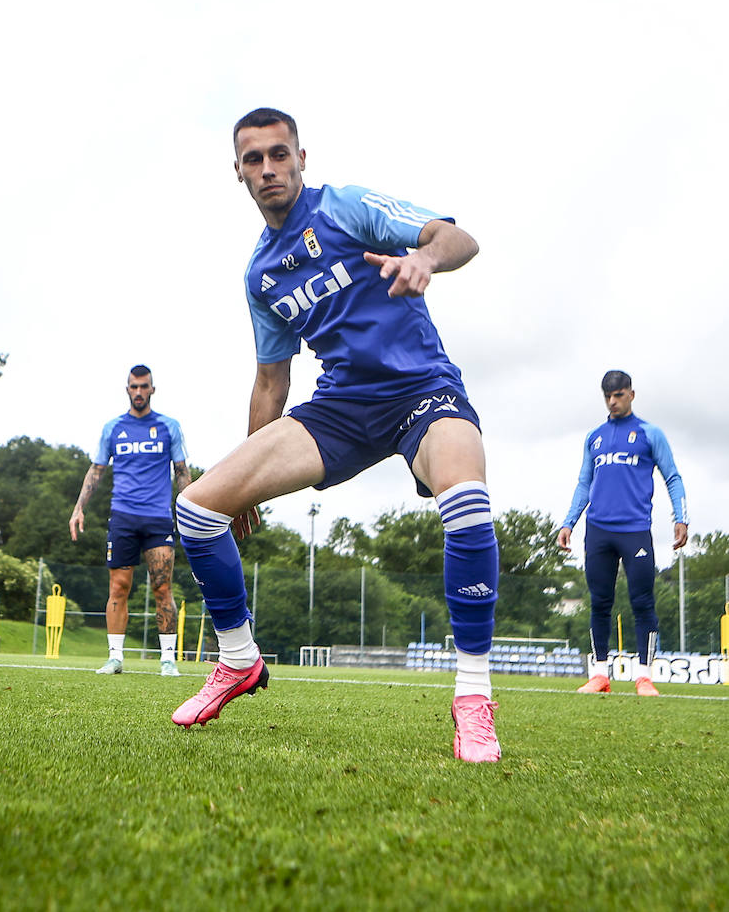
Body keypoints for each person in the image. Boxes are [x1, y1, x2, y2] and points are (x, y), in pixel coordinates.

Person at [169, 108, 501, 762]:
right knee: (197, 508)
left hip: (423, 391)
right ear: (237, 171)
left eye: (279, 154)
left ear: (300, 158)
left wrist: (425, 258)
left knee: (466, 497)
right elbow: (271, 381)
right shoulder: (261, 273)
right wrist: (248, 482)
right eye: (254, 158)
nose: (268, 168)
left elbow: (457, 236)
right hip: (342, 409)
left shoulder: (345, 208)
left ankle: (473, 697)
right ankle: (237, 659)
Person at [557, 370, 687, 697]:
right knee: (599, 603)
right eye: (607, 396)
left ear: (631, 394)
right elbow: (584, 482)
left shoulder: (649, 433)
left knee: (642, 602)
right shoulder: (595, 437)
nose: (612, 402)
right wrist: (569, 522)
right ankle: (600, 674)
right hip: (598, 531)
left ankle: (644, 676)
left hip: (636, 531)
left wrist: (680, 517)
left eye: (618, 395)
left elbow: (672, 477)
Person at [69, 365, 190, 676]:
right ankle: (115, 658)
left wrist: (189, 509)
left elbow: (181, 472)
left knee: (162, 587)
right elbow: (96, 471)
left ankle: (167, 660)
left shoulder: (168, 427)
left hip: (158, 518)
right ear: (127, 390)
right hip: (122, 517)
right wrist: (79, 508)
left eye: (144, 386)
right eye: (134, 387)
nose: (139, 392)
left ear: (152, 389)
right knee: (118, 587)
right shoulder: (113, 428)